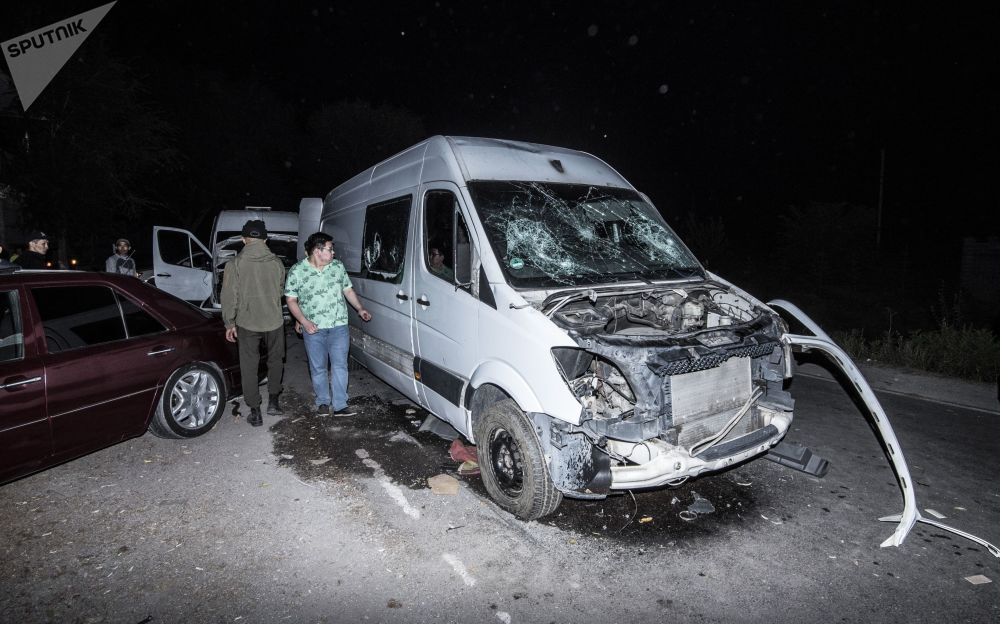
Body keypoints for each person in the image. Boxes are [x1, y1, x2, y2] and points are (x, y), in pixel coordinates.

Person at [285, 232, 372, 416]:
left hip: (338, 325)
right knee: (318, 367)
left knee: (340, 365)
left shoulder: (337, 267)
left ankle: (340, 404)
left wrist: (359, 308)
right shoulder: (297, 271)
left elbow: (347, 290)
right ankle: (323, 402)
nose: (333, 253)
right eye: (330, 249)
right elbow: (291, 300)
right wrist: (303, 321)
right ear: (318, 251)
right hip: (313, 328)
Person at [220, 219, 287, 427]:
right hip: (274, 320)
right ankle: (274, 402)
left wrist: (229, 322)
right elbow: (281, 290)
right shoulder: (277, 263)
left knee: (249, 366)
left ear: (243, 239)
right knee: (276, 360)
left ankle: (255, 411)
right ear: (266, 240)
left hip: (247, 322)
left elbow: (229, 296)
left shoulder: (235, 264)